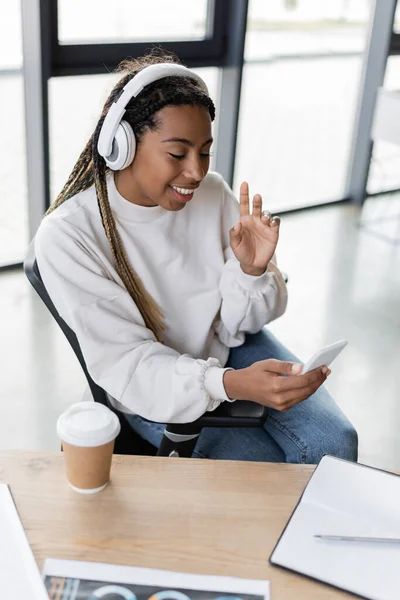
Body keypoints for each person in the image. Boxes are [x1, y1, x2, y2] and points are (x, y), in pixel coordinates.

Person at [35, 51, 358, 463]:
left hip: (227, 346)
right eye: (178, 153)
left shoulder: (211, 193)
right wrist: (229, 384)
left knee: (335, 446)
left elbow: (242, 324)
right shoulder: (69, 235)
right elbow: (129, 365)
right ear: (122, 145)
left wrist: (251, 271)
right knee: (271, 478)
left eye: (204, 151)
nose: (196, 172)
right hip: (153, 387)